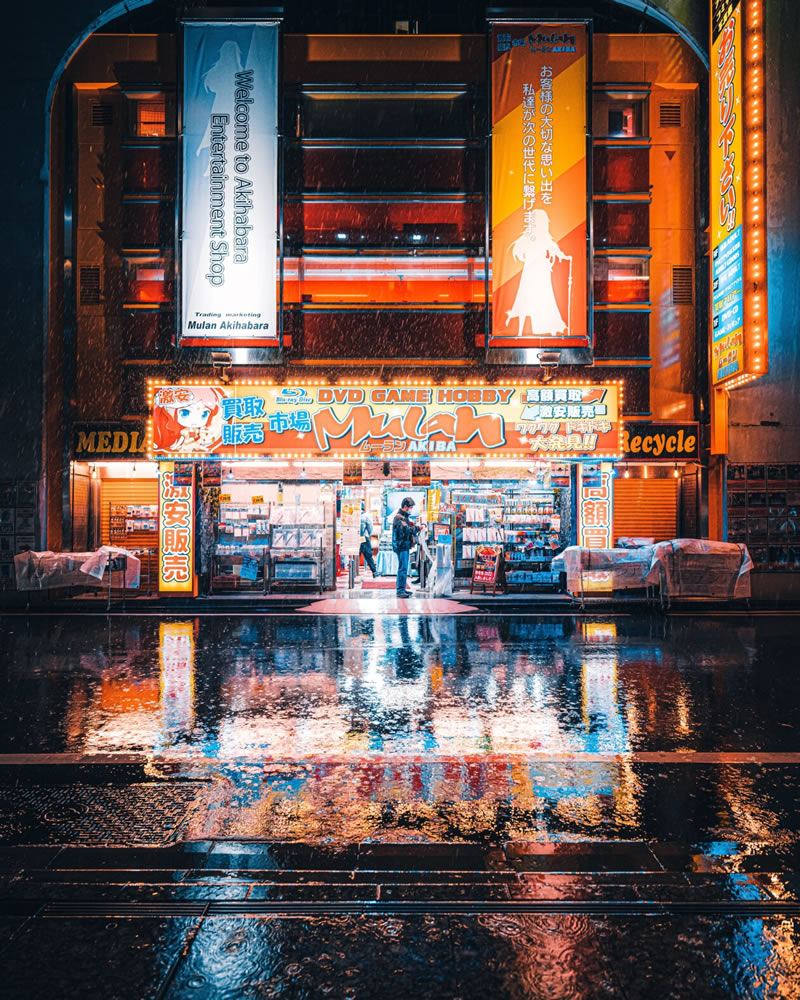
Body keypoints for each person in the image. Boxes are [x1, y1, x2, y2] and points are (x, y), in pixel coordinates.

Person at [392, 497, 419, 597]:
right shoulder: (399, 518)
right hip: (401, 546)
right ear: (405, 506)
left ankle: (402, 588)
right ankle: (400, 590)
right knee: (402, 568)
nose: (411, 509)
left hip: (404, 546)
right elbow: (406, 531)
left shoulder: (404, 517)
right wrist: (417, 528)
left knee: (403, 568)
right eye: (410, 507)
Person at [359, 507, 377, 577]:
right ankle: (374, 571)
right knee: (368, 555)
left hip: (356, 538)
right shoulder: (365, 516)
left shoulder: (355, 515)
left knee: (357, 554)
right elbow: (370, 527)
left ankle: (353, 573)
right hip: (364, 537)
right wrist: (368, 534)